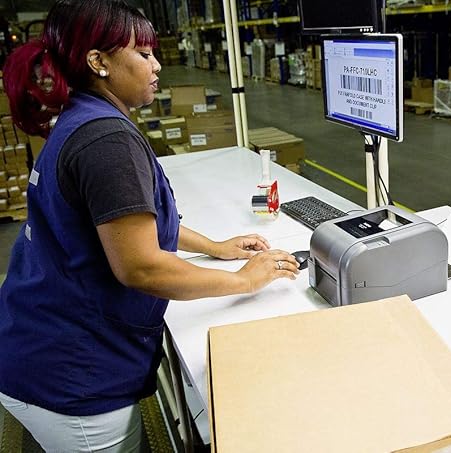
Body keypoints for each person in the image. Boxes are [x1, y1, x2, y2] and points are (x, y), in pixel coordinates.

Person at [0, 0, 299, 451]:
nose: (157, 65)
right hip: (73, 376)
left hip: (36, 339)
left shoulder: (82, 117)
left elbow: (126, 222)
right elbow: (141, 267)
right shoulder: (107, 141)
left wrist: (215, 247)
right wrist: (244, 280)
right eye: (143, 54)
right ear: (98, 62)